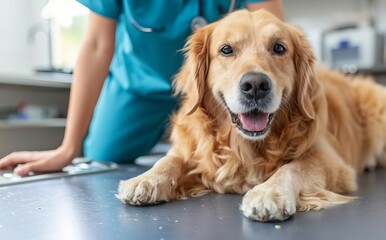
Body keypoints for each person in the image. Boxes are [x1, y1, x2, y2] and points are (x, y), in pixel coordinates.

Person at [0, 0, 284, 176]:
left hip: (215, 90)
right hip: (139, 83)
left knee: (258, 152)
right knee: (103, 153)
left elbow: (274, 38)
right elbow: (97, 45)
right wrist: (67, 148)